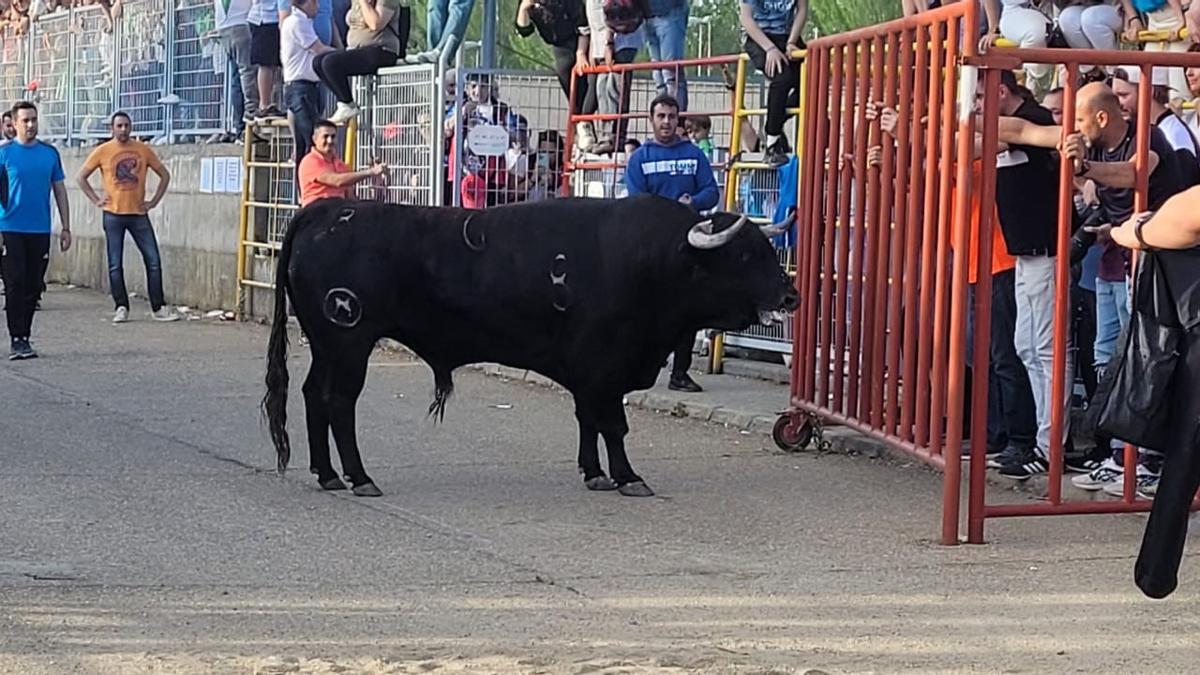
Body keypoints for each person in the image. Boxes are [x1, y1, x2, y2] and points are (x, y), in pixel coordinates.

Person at [998, 82, 1187, 493]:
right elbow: (1025, 133)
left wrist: (1083, 169)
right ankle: (1120, 454)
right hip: (1116, 258)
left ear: (1102, 118)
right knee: (1109, 357)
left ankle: (1148, 460)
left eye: (1080, 120)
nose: (1074, 128)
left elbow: (1133, 174)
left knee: (1149, 357)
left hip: (1157, 260)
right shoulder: (1095, 143)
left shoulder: (1144, 135)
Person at [624, 94, 718, 393]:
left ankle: (680, 373)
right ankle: (641, 366)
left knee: (687, 310)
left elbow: (711, 192)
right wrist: (663, 212)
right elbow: (636, 199)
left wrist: (694, 202)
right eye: (661, 116)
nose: (666, 122)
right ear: (651, 120)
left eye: (671, 116)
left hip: (690, 245)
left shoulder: (693, 154)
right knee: (644, 307)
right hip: (650, 246)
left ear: (679, 120)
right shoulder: (641, 158)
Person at [76, 112, 178, 324]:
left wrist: (154, 201)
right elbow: (81, 177)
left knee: (153, 261)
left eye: (126, 126)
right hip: (113, 214)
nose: (123, 129)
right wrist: (96, 199)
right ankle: (121, 306)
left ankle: (158, 307)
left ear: (131, 128)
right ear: (111, 129)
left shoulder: (143, 149)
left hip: (138, 214)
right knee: (115, 264)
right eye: (119, 126)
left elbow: (164, 175)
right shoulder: (103, 151)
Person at [0, 102, 71, 360]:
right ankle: (16, 337)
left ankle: (26, 335)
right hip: (9, 227)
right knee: (14, 283)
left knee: (32, 284)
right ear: (14, 124)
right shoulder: (4, 153)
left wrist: (66, 226)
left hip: (39, 228)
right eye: (25, 121)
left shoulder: (49, 153)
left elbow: (60, 190)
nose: (30, 125)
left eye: (33, 120)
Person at [314, 0, 407, 124]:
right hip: (358, 49)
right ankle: (344, 102)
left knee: (330, 63)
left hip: (381, 50)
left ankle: (348, 104)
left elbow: (375, 23)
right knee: (318, 62)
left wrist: (363, 2)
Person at [740, 0, 808, 168]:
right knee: (782, 78)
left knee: (811, 81)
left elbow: (802, 9)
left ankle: (774, 119)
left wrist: (792, 41)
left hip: (786, 36)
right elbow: (746, 19)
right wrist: (770, 49)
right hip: (758, 37)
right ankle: (772, 144)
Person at [282, 0, 336, 165]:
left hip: (306, 88)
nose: (318, 7)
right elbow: (318, 49)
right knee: (313, 141)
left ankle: (304, 187)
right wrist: (344, 55)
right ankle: (311, 185)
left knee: (304, 144)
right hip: (301, 89)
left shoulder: (300, 22)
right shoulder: (297, 22)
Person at [297, 120, 386, 206]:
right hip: (315, 213)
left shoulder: (342, 166)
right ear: (314, 139)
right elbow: (337, 181)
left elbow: (351, 197)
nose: (330, 141)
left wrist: (377, 182)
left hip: (338, 212)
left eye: (333, 136)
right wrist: (370, 172)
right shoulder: (310, 162)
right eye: (325, 136)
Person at [215, 0, 260, 136]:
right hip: (240, 23)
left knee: (236, 76)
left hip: (223, 26)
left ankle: (239, 125)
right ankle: (250, 115)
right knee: (246, 72)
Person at [643, 0, 688, 112]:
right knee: (659, 76)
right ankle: (663, 117)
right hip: (648, 16)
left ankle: (677, 119)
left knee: (671, 73)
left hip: (669, 13)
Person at [248, 0, 285, 120]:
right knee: (266, 64)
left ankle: (268, 103)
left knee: (273, 64)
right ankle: (264, 104)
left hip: (273, 17)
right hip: (264, 18)